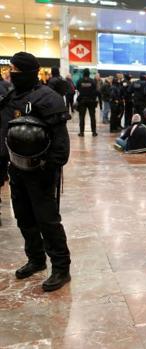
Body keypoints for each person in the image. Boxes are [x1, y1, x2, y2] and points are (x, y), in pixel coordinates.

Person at [0, 52, 71, 292]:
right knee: (24, 217)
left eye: (15, 69)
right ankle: (36, 259)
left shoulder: (49, 98)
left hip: (40, 171)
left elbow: (60, 141)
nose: (11, 73)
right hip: (16, 169)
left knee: (48, 221)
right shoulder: (12, 96)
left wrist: (51, 166)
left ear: (28, 72)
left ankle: (61, 268)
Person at [75, 68, 98, 137]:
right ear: (89, 73)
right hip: (91, 101)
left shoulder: (80, 81)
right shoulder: (93, 81)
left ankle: (81, 132)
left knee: (82, 117)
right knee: (92, 117)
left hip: (82, 101)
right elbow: (95, 90)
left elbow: (78, 88)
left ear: (83, 73)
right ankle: (94, 132)